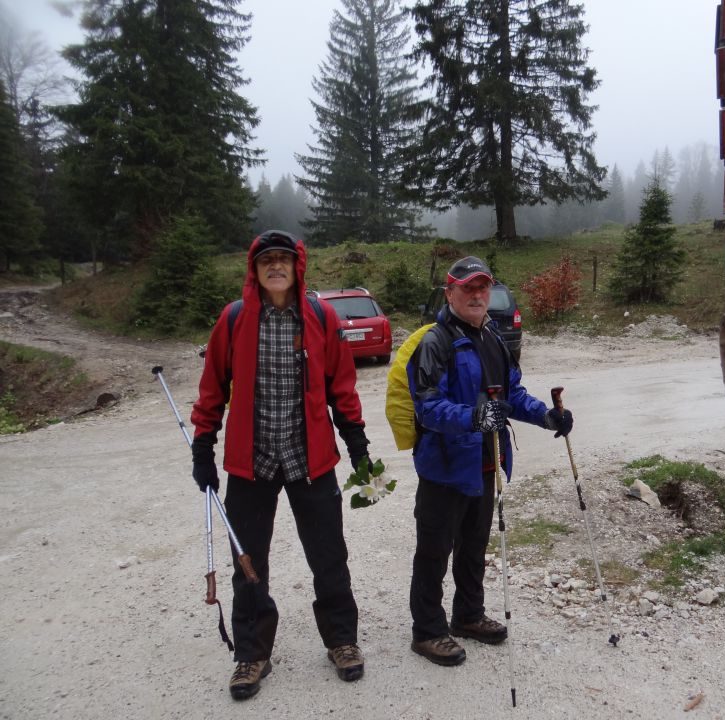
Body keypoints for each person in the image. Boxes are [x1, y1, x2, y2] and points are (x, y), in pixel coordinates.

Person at [190, 230, 373, 700]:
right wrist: (203, 447)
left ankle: (342, 641)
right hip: (251, 463)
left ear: (297, 267)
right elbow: (212, 387)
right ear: (254, 269)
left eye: (283, 260)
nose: (276, 266)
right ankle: (251, 653)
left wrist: (357, 443)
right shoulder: (233, 320)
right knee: (248, 561)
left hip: (309, 458)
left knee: (329, 554)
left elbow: (342, 385)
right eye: (266, 259)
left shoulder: (319, 316)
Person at [406, 256, 573, 666]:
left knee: (474, 546)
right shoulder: (435, 343)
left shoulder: (493, 338)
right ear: (451, 294)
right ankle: (427, 631)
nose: (478, 295)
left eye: (483, 288)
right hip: (444, 467)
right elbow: (426, 406)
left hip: (486, 464)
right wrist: (471, 417)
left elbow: (511, 394)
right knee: (434, 550)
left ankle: (468, 615)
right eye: (468, 288)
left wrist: (547, 416)